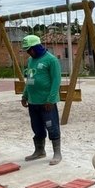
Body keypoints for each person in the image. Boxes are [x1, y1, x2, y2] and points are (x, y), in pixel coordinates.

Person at [20, 34, 62, 165]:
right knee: (37, 127)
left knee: (52, 127)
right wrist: (25, 95)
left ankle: (57, 153)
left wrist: (51, 99)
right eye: (27, 50)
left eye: (30, 49)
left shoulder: (51, 60)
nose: (29, 52)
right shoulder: (31, 61)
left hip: (46, 102)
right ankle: (39, 151)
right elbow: (30, 80)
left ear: (37, 47)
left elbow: (56, 80)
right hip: (33, 102)